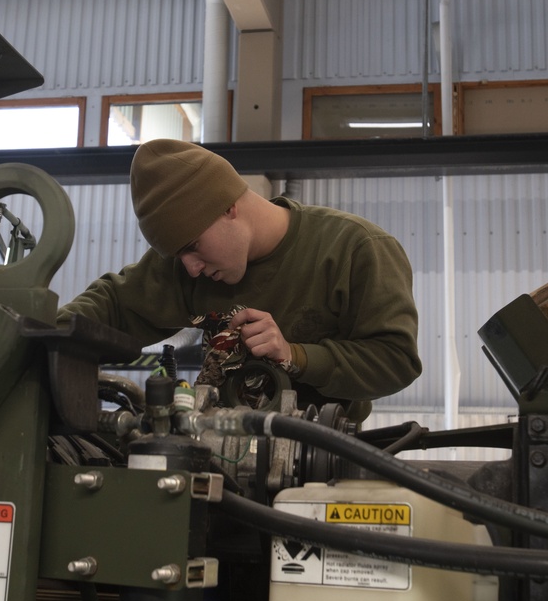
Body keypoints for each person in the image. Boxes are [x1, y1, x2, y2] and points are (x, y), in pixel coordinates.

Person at [57, 139, 422, 422]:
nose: (192, 269)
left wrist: (297, 356)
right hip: (217, 451)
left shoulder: (355, 249)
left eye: (194, 247)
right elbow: (115, 304)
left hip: (322, 457)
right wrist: (44, 337)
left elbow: (395, 362)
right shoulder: (186, 265)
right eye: (179, 257)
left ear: (228, 207)